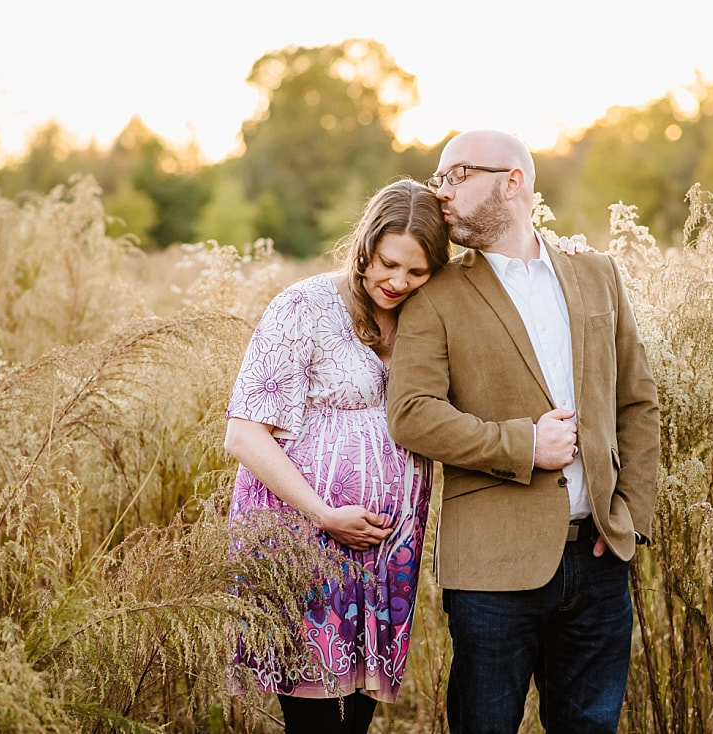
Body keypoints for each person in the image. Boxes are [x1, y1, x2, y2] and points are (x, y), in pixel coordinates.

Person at [386, 130, 661, 733]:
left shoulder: (599, 277)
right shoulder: (434, 296)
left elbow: (636, 402)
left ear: (512, 182)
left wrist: (631, 519)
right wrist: (522, 445)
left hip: (598, 559)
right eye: (438, 178)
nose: (441, 192)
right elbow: (411, 412)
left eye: (456, 174)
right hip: (491, 569)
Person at [223, 178, 452, 734]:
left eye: (416, 272)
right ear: (365, 246)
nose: (398, 282)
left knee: (356, 719)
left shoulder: (431, 316)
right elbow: (244, 434)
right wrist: (325, 515)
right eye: (387, 264)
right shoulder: (303, 306)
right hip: (306, 541)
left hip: (384, 552)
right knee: (316, 720)